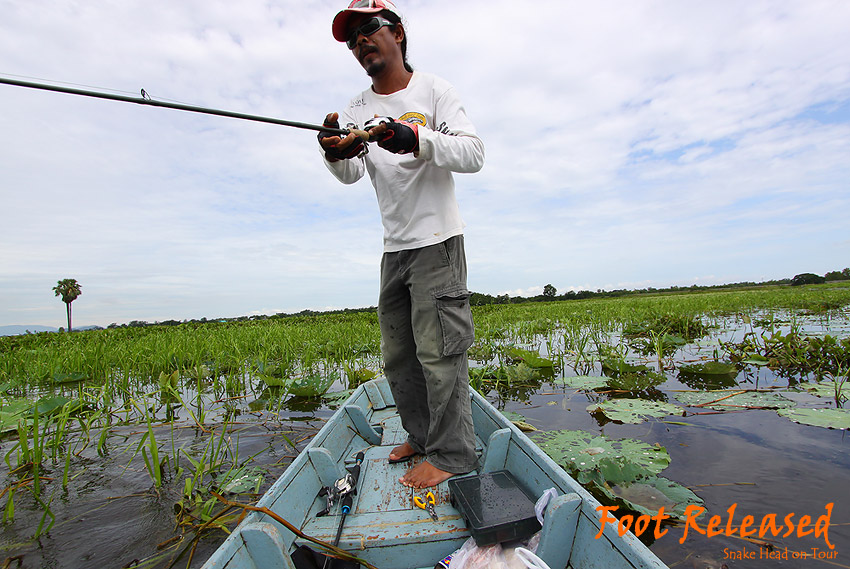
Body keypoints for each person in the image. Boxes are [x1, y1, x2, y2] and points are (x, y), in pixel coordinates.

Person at [318, 0, 485, 489]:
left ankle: (453, 455)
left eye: (368, 29)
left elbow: (473, 153)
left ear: (397, 34)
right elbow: (349, 172)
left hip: (438, 241)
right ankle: (421, 434)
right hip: (394, 249)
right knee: (400, 355)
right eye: (352, 39)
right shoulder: (354, 109)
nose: (360, 42)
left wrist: (414, 138)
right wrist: (332, 149)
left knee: (441, 354)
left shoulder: (435, 90)